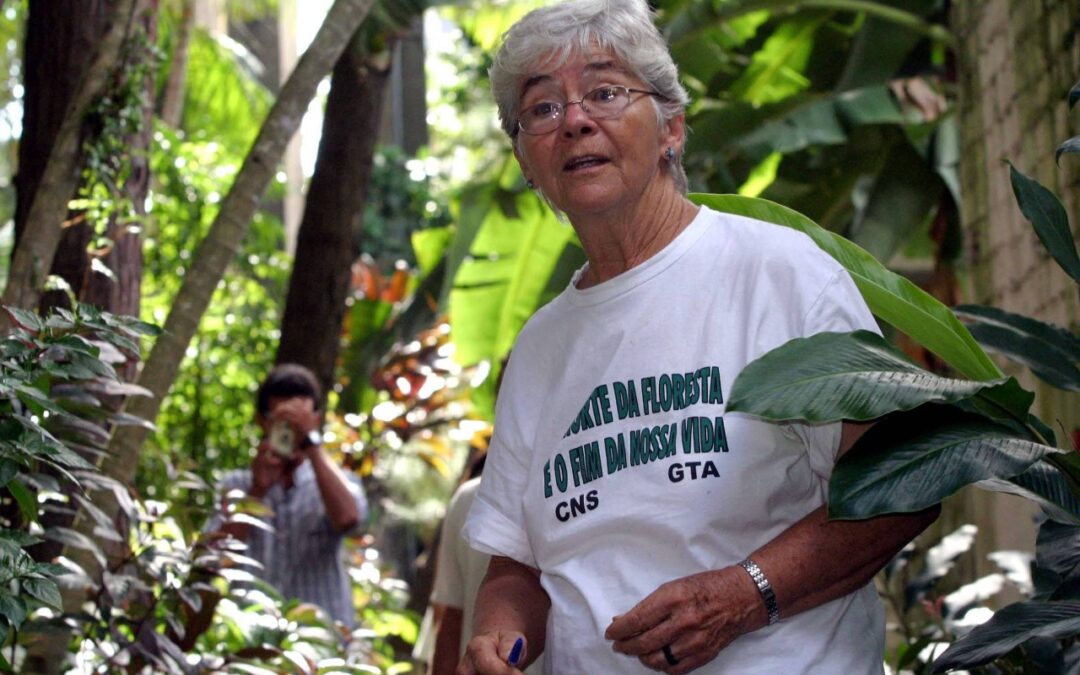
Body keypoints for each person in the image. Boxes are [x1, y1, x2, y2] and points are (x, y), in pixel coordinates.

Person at [457, 1, 939, 673]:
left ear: (672, 129)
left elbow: (906, 482)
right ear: (525, 160)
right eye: (541, 109)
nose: (573, 121)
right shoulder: (540, 347)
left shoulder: (782, 272)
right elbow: (518, 565)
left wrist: (745, 593)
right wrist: (496, 642)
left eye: (604, 91)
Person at [209, 363, 368, 628]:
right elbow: (214, 556)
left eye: (299, 424)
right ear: (262, 421)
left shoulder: (337, 483)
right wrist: (256, 492)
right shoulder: (237, 484)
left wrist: (312, 444)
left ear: (315, 420)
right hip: (252, 640)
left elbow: (349, 519)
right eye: (282, 422)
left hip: (321, 644)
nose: (291, 432)